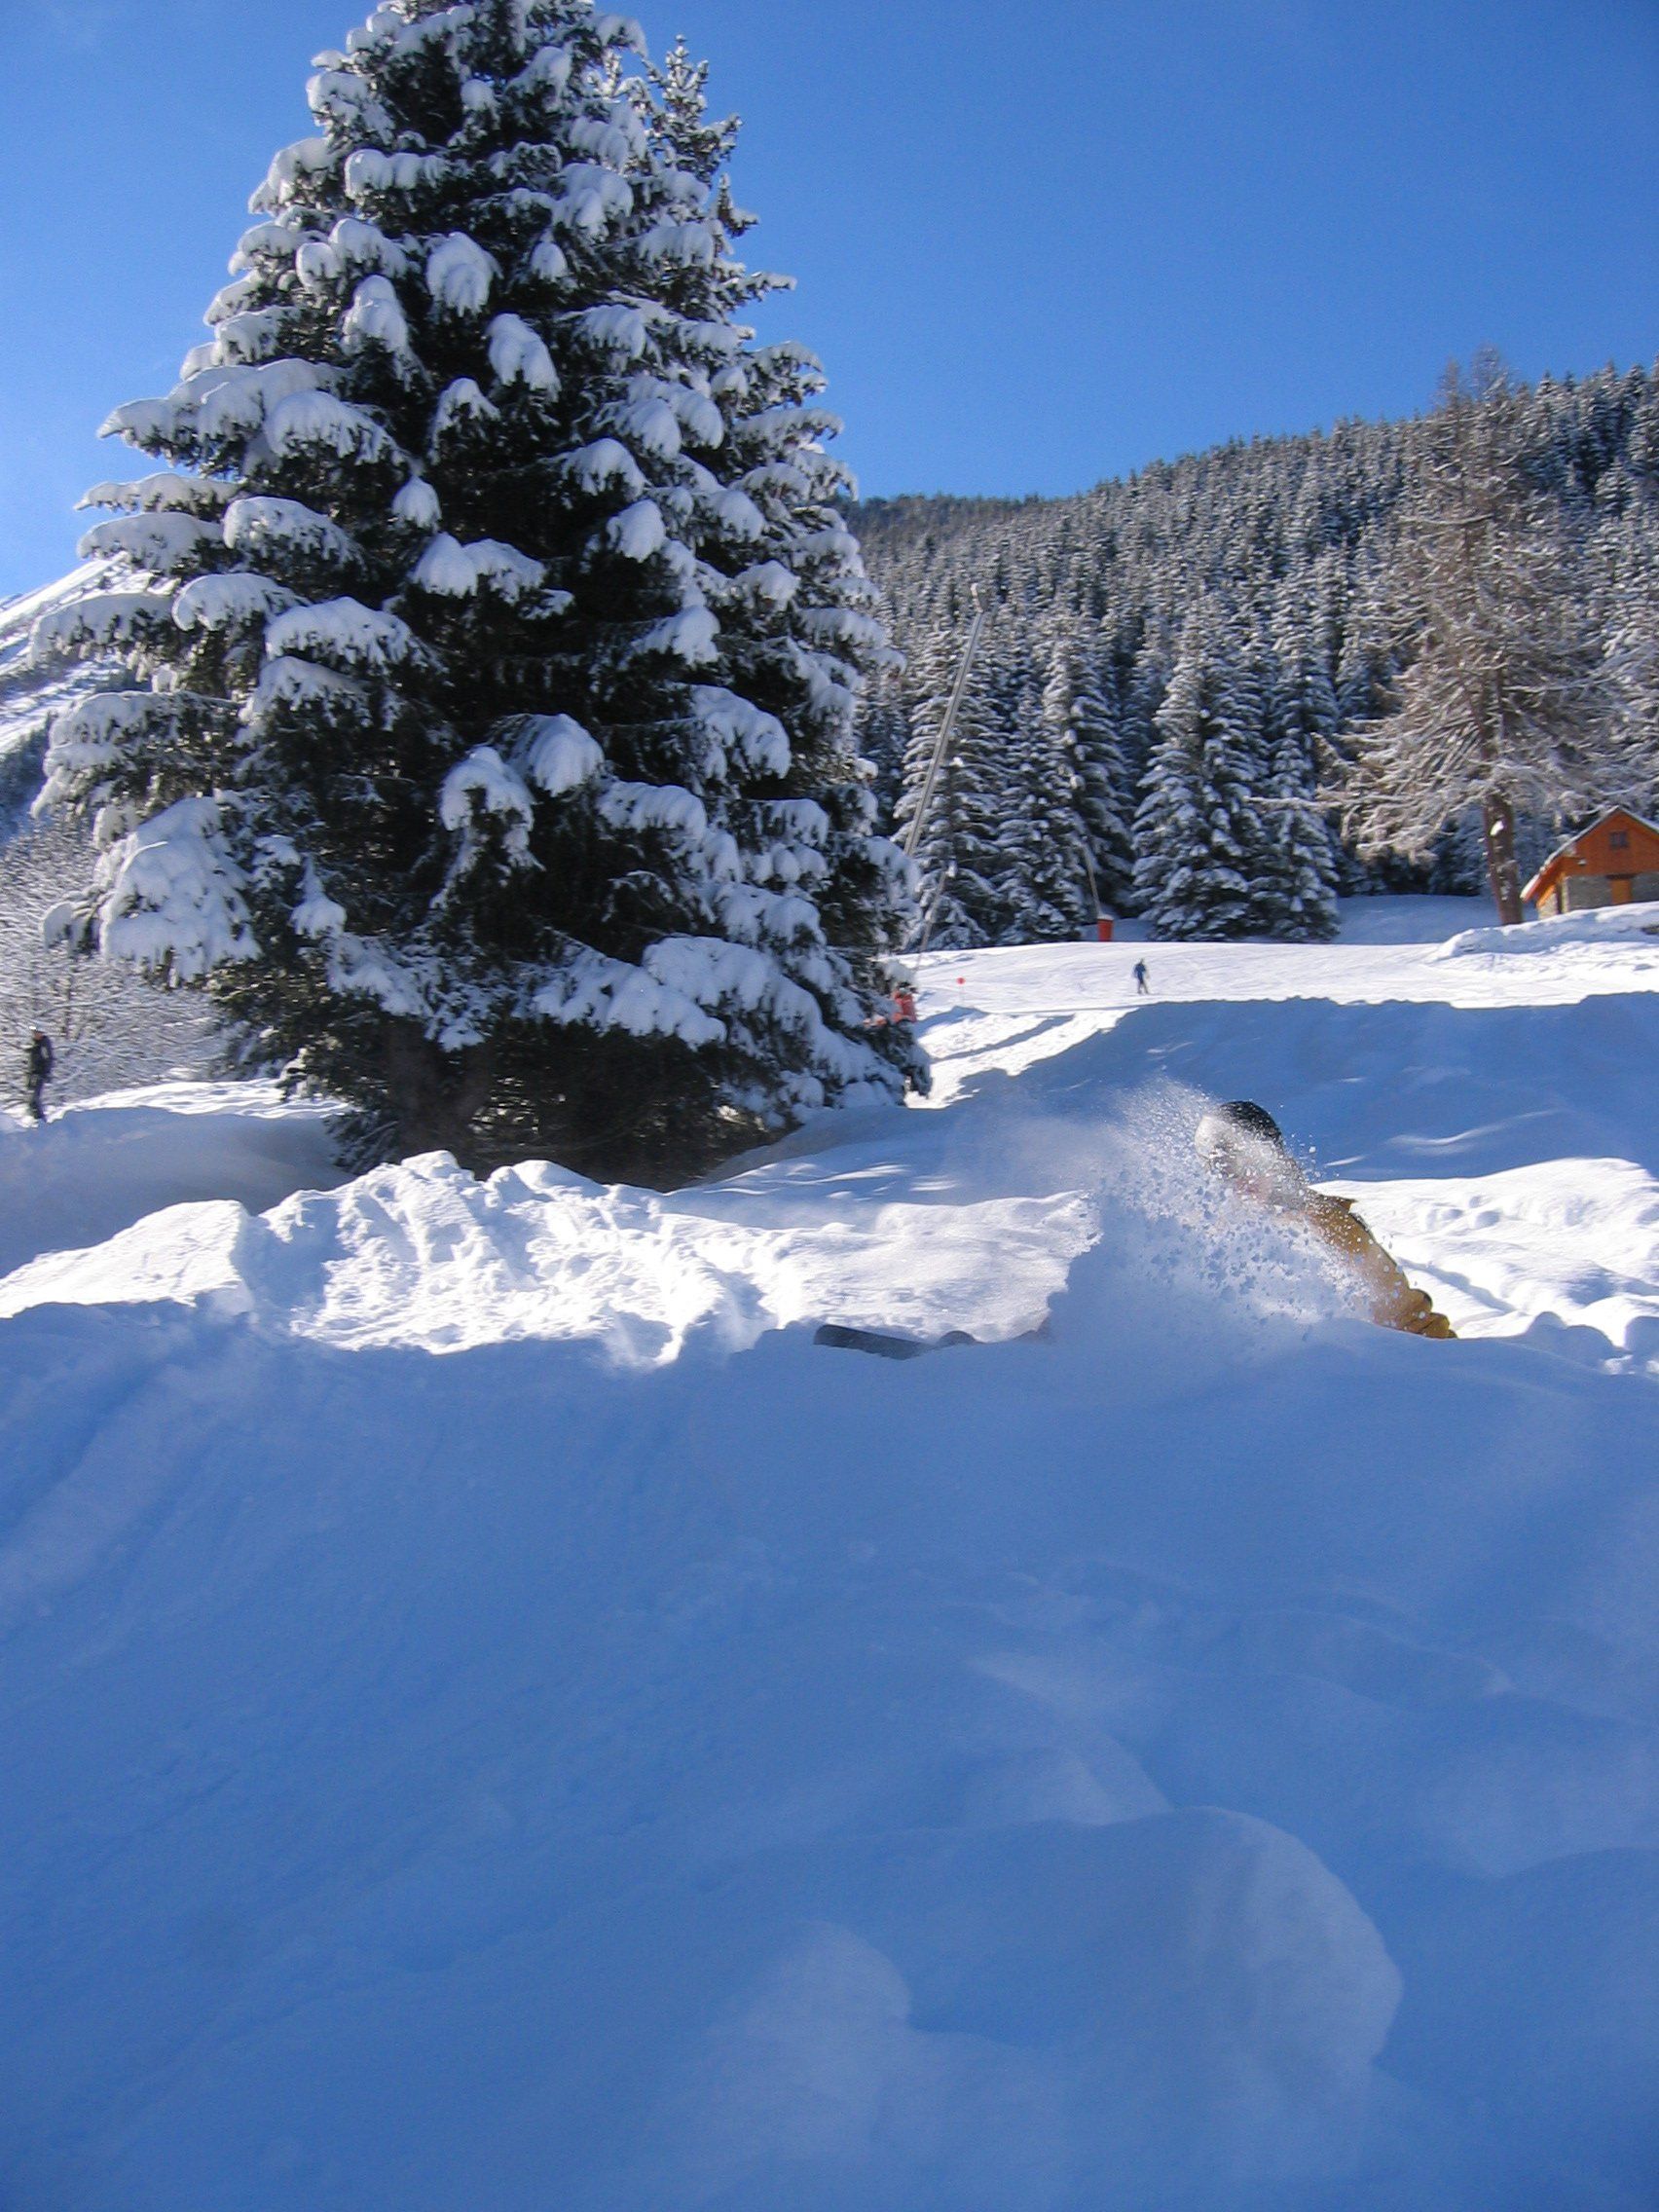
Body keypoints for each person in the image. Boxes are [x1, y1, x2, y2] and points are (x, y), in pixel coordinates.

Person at [1195, 1100, 1455, 1340]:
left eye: (1256, 1162)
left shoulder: (1323, 1223)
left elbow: (1408, 1317)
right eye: (1227, 1168)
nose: (1246, 1179)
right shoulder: (1196, 1237)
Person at [24, 1030, 55, 1124]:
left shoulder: (44, 1045)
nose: (35, 1035)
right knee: (30, 1098)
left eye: (37, 1033)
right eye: (34, 1033)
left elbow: (49, 1059)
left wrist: (45, 1073)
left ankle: (40, 1119)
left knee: (34, 1097)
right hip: (31, 1074)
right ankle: (34, 1118)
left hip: (39, 1075)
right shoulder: (35, 1044)